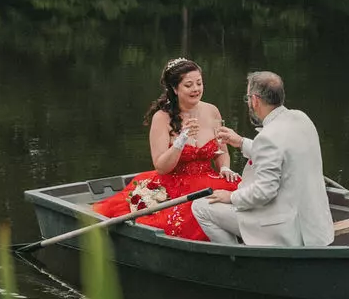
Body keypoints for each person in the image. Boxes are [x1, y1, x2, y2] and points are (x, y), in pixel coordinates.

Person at [89, 57, 238, 241]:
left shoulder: (212, 110)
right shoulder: (162, 118)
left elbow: (221, 149)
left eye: (199, 83)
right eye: (189, 85)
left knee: (244, 196)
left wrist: (224, 167)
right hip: (175, 184)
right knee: (189, 218)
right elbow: (161, 167)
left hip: (209, 179)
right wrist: (181, 139)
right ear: (175, 89)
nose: (196, 89)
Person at [193, 71, 334, 247]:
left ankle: (236, 259)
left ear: (255, 100)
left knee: (200, 207)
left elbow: (264, 192)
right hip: (315, 226)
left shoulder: (268, 136)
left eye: (247, 99)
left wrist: (231, 196)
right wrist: (241, 142)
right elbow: (282, 153)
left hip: (282, 230)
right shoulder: (301, 118)